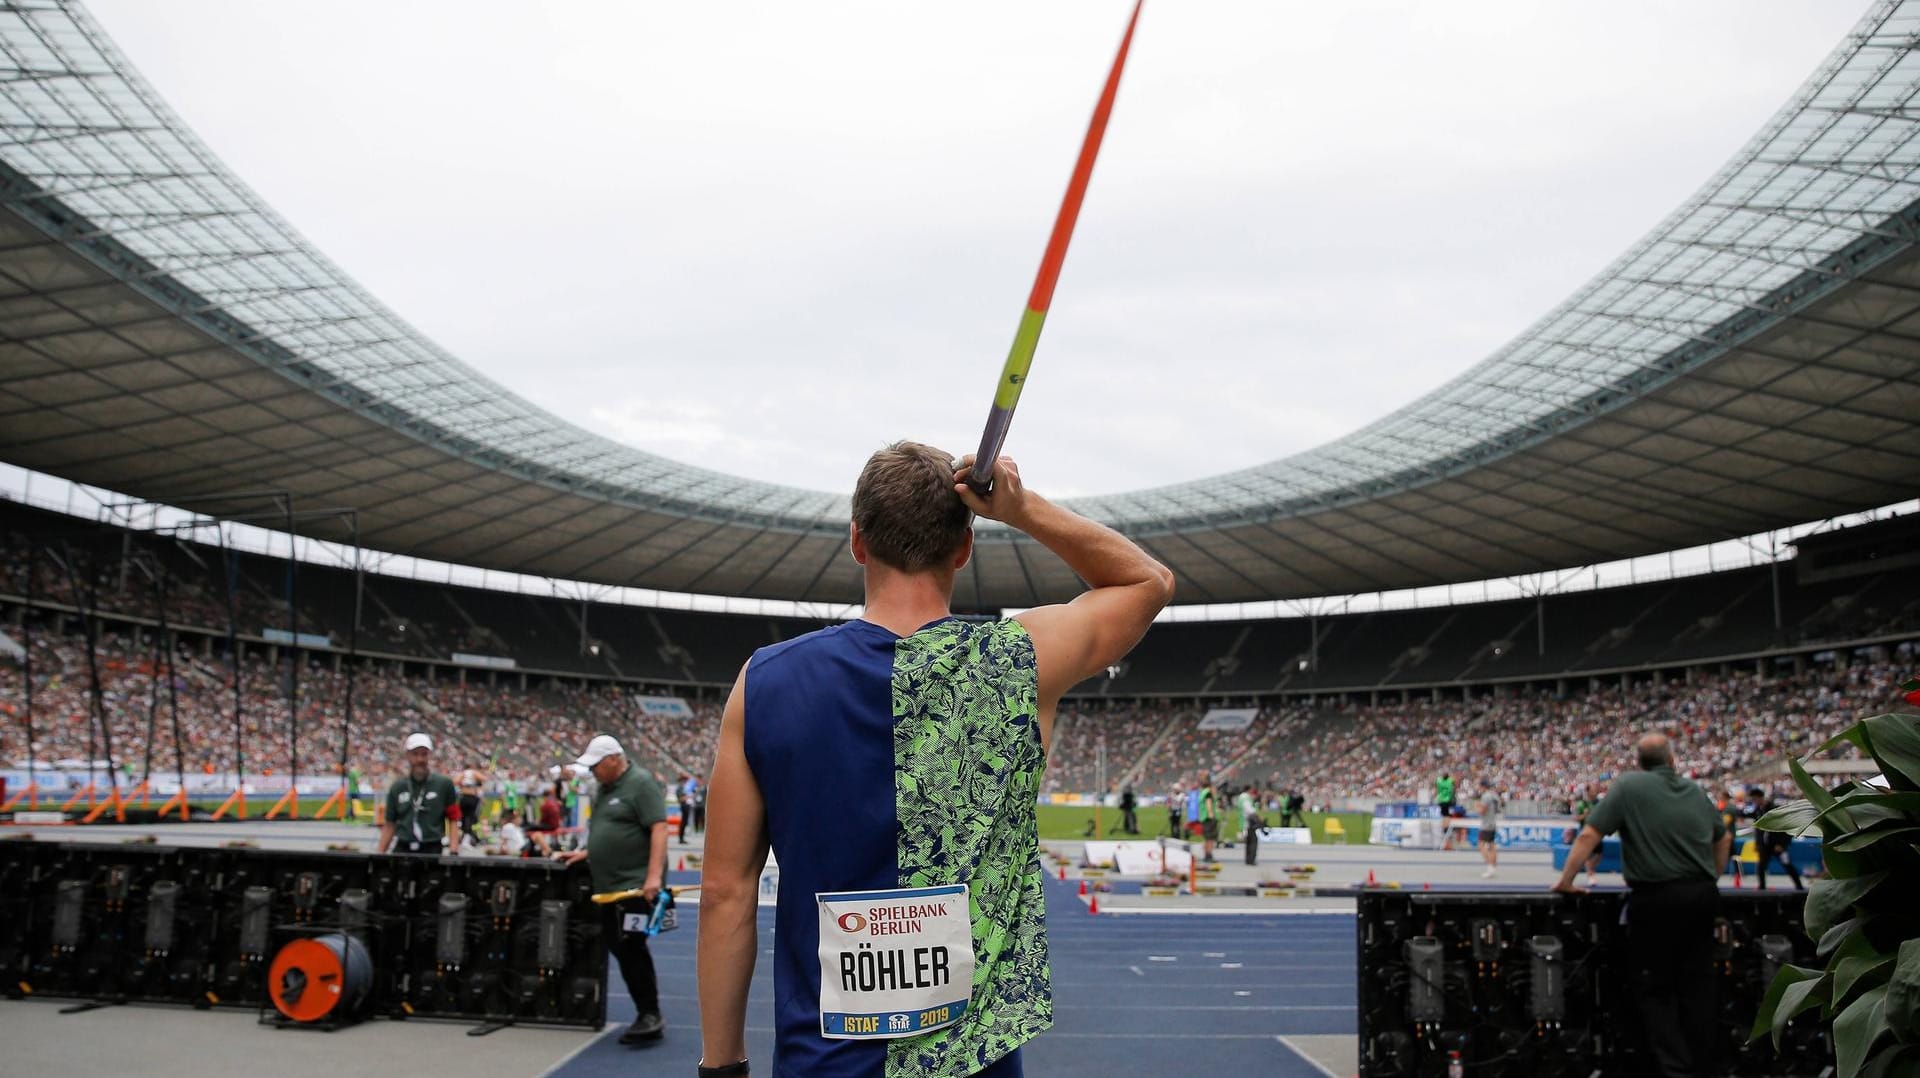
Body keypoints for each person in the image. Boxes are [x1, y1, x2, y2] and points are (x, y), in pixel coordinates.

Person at [695, 447, 1174, 1078]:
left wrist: (722, 1066)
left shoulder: (764, 683)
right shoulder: (1020, 661)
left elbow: (725, 893)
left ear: (857, 542)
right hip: (973, 1062)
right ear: (964, 548)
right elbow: (1148, 582)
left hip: (825, 1061)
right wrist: (1022, 509)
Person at [1553, 733, 1729, 1078]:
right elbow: (1722, 837)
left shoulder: (1629, 786)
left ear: (1639, 761)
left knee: (1655, 988)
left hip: (1656, 900)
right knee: (1698, 987)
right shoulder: (1693, 790)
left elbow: (1590, 834)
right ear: (1671, 760)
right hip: (1701, 897)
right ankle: (1705, 1066)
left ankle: (1674, 1070)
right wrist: (1713, 876)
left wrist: (1566, 880)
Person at [555, 734, 669, 1046]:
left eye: (596, 766)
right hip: (609, 886)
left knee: (631, 946)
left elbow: (659, 827)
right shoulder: (605, 788)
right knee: (619, 946)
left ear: (613, 760)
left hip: (632, 887)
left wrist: (653, 877)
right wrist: (587, 853)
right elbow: (610, 829)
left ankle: (650, 1013)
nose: (592, 771)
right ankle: (646, 1010)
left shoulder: (641, 783)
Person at [378, 733, 459, 855]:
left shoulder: (444, 784)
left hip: (432, 847)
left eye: (424, 754)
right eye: (415, 754)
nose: (420, 759)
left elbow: (453, 819)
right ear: (408, 755)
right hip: (403, 847)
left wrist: (454, 851)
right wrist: (379, 853)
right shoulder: (398, 787)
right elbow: (390, 824)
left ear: (430, 755)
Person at [1750, 787, 1804, 892]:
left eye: (1755, 799)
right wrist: (1758, 843)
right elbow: (1758, 829)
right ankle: (1762, 888)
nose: (1754, 802)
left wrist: (1782, 845)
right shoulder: (1758, 811)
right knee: (1761, 867)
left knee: (1787, 865)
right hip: (1765, 845)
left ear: (1760, 798)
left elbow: (1786, 828)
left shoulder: (1774, 809)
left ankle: (1799, 887)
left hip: (1777, 845)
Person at [1477, 785, 1502, 878]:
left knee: (1481, 845)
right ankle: (1493, 865)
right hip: (1493, 822)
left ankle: (1490, 866)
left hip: (1486, 824)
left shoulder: (1486, 796)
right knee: (1491, 845)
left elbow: (1482, 811)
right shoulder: (1494, 795)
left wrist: (1477, 806)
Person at [457, 764, 484, 848]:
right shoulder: (473, 773)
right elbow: (484, 778)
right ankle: (466, 837)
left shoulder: (463, 774)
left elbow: (455, 781)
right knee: (470, 818)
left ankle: (466, 837)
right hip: (471, 797)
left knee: (463, 818)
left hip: (464, 797)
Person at [1436, 772, 1457, 850]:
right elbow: (1454, 783)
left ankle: (1446, 828)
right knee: (1447, 816)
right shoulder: (1450, 780)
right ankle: (1447, 829)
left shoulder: (1439, 781)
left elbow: (1437, 785)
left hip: (1442, 800)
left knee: (1445, 815)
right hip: (1448, 801)